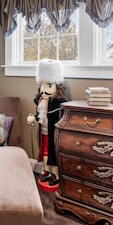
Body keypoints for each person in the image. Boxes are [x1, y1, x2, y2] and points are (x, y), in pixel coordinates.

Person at [29, 59, 67, 189]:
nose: (44, 89)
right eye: (43, 85)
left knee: (52, 153)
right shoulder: (41, 100)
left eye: (49, 86)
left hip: (52, 131)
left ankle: (55, 175)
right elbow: (39, 114)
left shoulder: (57, 103)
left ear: (57, 87)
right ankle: (47, 171)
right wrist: (34, 118)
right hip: (43, 131)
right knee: (43, 151)